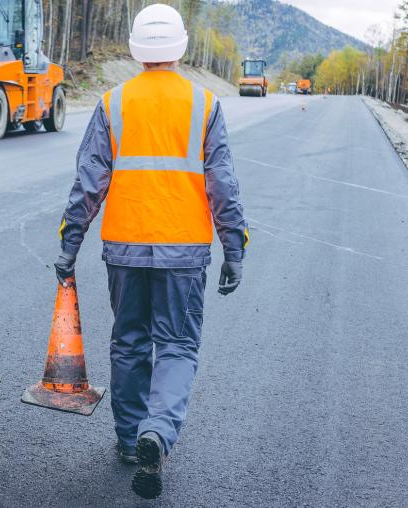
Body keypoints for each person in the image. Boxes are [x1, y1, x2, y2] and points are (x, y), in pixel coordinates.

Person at [53, 3, 248, 500]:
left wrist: (69, 242)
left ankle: (127, 439)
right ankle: (156, 433)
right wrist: (234, 246)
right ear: (180, 47)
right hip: (184, 250)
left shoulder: (113, 102)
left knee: (130, 341)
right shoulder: (204, 104)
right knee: (178, 344)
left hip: (124, 247)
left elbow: (88, 182)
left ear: (137, 49)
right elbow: (222, 183)